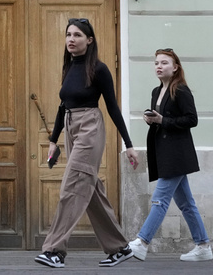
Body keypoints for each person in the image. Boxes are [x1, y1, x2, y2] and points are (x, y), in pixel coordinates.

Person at [35, 18, 139, 269]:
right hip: (71, 127)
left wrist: (128, 144)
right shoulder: (69, 66)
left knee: (72, 186)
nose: (71, 39)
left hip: (90, 127)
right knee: (90, 188)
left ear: (89, 40)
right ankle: (120, 248)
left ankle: (54, 250)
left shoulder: (100, 69)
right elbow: (63, 105)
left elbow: (113, 108)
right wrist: (53, 140)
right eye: (68, 34)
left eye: (78, 35)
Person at [127, 48, 212, 262]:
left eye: (164, 63)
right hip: (164, 153)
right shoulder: (157, 91)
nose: (159, 66)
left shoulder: (181, 90)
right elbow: (163, 118)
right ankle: (203, 246)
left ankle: (142, 242)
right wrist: (152, 119)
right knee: (186, 204)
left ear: (175, 68)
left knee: (160, 200)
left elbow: (192, 119)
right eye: (156, 62)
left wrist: (163, 121)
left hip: (177, 154)